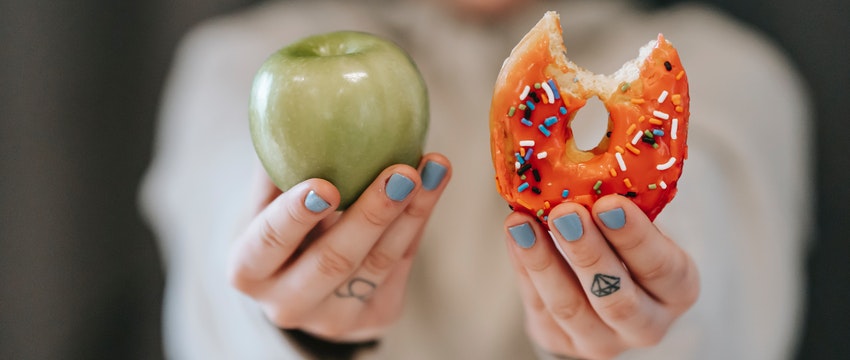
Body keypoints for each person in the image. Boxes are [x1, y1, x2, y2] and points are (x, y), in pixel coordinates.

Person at [140, 0, 811, 358]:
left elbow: (715, 256)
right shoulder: (231, 66)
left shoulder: (732, 72)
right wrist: (292, 326)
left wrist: (646, 329)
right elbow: (218, 264)